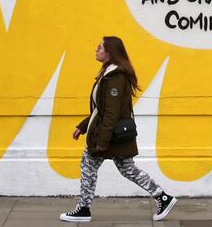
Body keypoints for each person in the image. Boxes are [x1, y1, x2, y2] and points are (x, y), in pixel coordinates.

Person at [60, 36, 177, 222]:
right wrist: (82, 127)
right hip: (112, 134)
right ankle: (163, 198)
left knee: (90, 164)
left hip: (111, 136)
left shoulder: (115, 77)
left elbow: (111, 113)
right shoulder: (108, 74)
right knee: (127, 169)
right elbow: (101, 109)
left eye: (100, 47)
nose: (96, 49)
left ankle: (83, 209)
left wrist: (102, 141)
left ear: (109, 52)